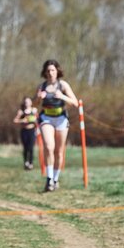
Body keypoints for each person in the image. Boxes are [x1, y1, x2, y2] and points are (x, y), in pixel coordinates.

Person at [36, 59, 79, 191]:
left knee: (59, 152)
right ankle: (49, 180)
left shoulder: (63, 85)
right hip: (46, 118)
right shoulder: (42, 86)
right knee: (49, 147)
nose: (50, 73)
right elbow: (33, 104)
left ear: (57, 71)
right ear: (45, 72)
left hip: (61, 118)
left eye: (53, 70)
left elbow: (75, 103)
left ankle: (55, 179)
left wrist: (62, 96)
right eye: (48, 70)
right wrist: (38, 98)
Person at [13, 96, 38, 170]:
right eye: (25, 102)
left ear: (31, 102)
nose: (27, 103)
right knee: (26, 148)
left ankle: (31, 163)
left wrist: (37, 126)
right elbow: (15, 120)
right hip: (24, 131)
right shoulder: (21, 111)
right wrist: (22, 120)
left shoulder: (34, 110)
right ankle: (25, 162)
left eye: (28, 101)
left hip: (32, 130)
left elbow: (38, 120)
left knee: (31, 148)